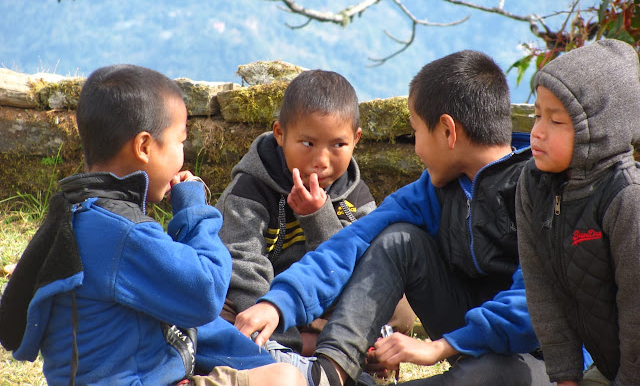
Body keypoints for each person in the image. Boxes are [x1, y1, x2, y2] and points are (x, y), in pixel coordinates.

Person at [235, 50, 553, 386]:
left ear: (447, 131)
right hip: (466, 338)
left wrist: (440, 348)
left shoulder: (537, 193)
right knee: (398, 240)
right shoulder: (431, 191)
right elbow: (352, 242)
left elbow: (533, 302)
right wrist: (279, 303)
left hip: (537, 355)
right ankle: (330, 372)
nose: (415, 147)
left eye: (416, 131)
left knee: (488, 375)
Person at [0, 64, 305, 386]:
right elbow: (206, 292)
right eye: (179, 141)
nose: (182, 156)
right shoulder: (123, 233)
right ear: (144, 146)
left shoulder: (77, 209)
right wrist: (193, 210)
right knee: (285, 379)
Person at [216, 69, 414, 357]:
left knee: (401, 308)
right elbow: (242, 267)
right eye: (308, 143)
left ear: (356, 140)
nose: (321, 161)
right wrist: (282, 338)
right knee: (213, 303)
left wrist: (317, 218)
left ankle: (337, 346)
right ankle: (327, 349)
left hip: (320, 301)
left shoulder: (354, 195)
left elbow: (354, 267)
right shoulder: (249, 189)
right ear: (280, 134)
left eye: (338, 145)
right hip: (260, 302)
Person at [516, 39, 640, 386]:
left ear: (598, 131)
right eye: (538, 114)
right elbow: (540, 286)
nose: (537, 131)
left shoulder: (627, 199)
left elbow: (637, 310)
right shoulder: (534, 183)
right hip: (609, 365)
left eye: (556, 121)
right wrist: (565, 375)